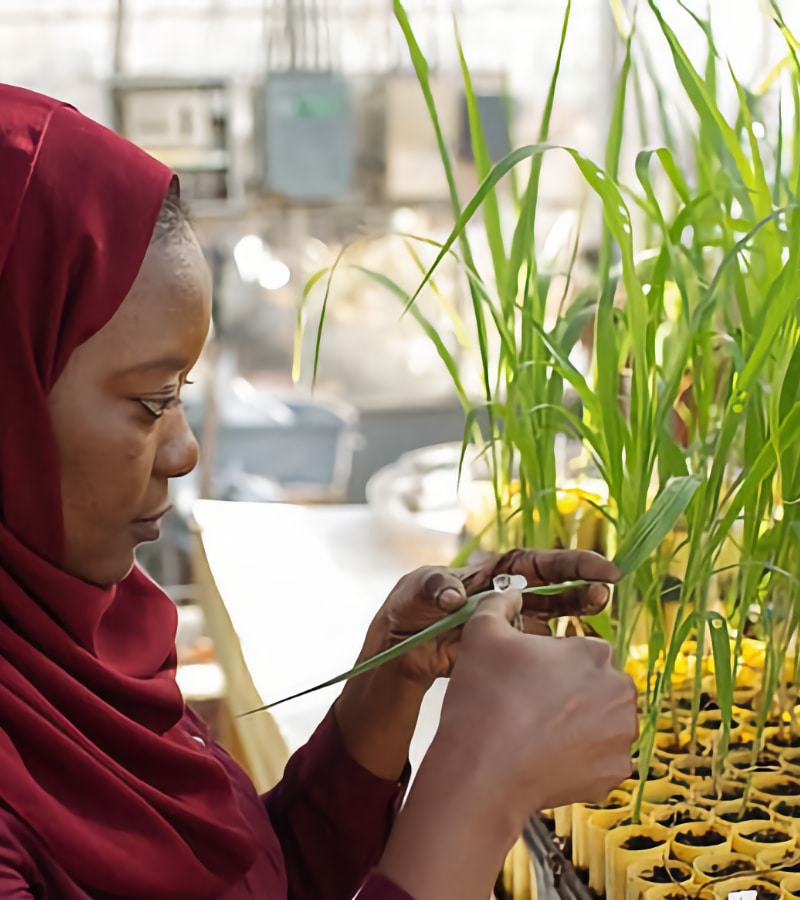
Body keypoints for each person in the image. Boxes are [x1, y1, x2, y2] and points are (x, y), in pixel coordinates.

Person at [0, 83, 637, 900]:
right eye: (151, 402)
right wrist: (481, 787)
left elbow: (253, 882)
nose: (186, 450)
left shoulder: (84, 656)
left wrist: (386, 686)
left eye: (184, 395)